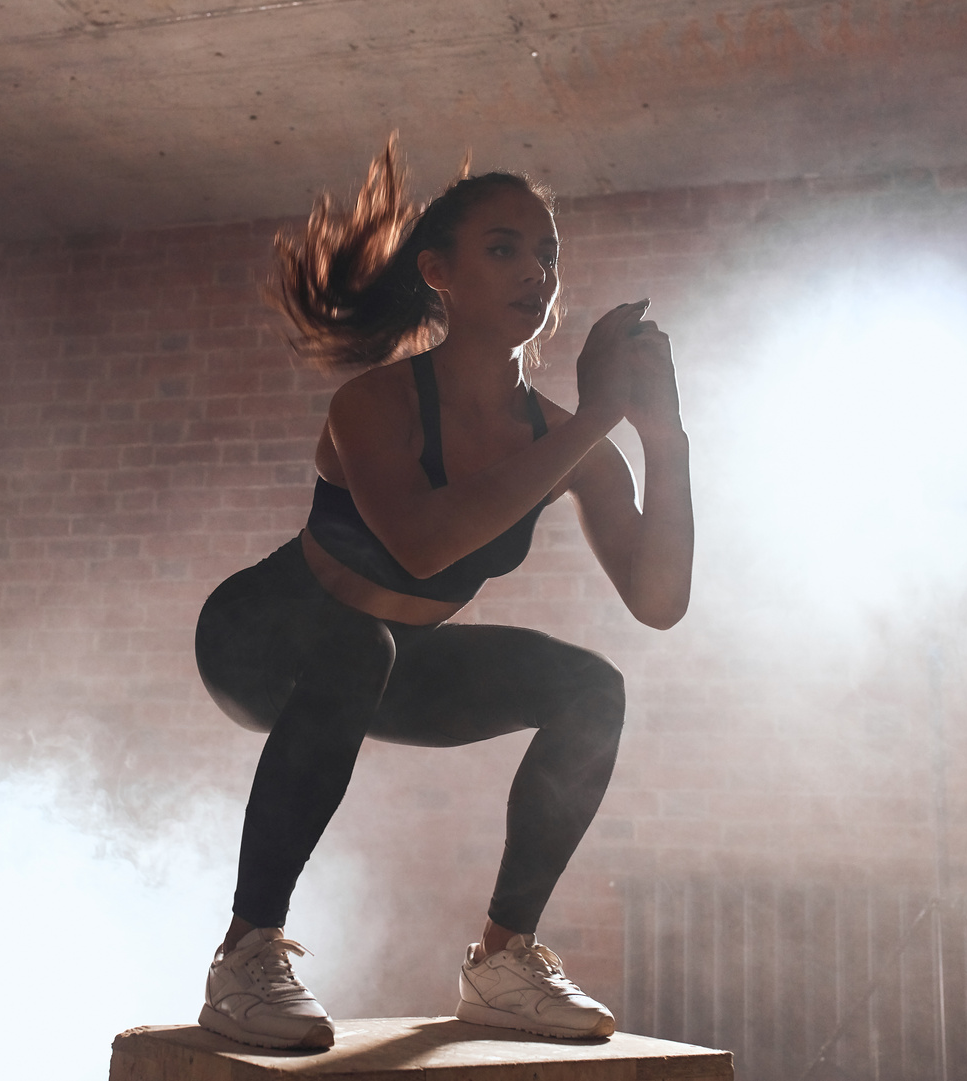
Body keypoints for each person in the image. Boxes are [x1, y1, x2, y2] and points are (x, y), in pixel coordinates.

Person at [193, 138, 694, 1050]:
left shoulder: (565, 438)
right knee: (358, 643)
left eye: (546, 254)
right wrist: (592, 421)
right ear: (439, 273)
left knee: (592, 689)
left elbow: (659, 601)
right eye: (503, 248)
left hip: (388, 659)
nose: (534, 271)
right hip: (264, 633)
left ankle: (504, 963)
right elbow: (422, 549)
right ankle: (244, 955)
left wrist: (664, 441)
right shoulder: (374, 405)